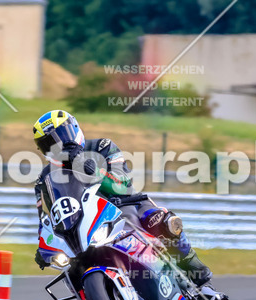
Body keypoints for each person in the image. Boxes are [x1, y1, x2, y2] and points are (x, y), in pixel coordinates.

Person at [31, 109, 212, 285]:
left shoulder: (102, 147)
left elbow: (122, 184)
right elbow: (45, 218)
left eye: (63, 135)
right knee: (72, 272)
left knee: (161, 221)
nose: (59, 144)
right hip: (86, 225)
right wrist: (42, 245)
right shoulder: (44, 179)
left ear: (75, 129)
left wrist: (87, 166)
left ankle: (191, 265)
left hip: (126, 205)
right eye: (50, 143)